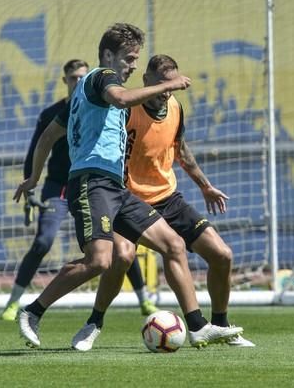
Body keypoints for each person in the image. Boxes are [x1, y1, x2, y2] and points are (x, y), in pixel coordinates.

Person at [13, 22, 242, 349]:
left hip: (116, 187)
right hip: (91, 183)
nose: (133, 65)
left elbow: (49, 136)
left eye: (136, 58)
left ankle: (198, 326)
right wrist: (172, 84)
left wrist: (33, 177)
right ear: (108, 55)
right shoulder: (103, 78)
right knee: (101, 261)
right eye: (129, 58)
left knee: (174, 244)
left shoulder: (82, 93)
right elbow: (121, 100)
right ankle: (32, 310)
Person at [70, 54, 255, 351]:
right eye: (160, 85)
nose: (166, 91)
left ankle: (220, 326)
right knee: (121, 257)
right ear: (146, 82)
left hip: (168, 198)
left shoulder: (175, 109)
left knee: (222, 255)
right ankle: (94, 323)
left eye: (171, 86)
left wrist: (205, 187)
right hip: (125, 199)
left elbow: (181, 151)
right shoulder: (126, 110)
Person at [2, 59, 158, 322]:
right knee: (44, 241)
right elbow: (40, 145)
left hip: (98, 185)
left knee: (122, 244)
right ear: (65, 81)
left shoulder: (101, 105)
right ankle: (14, 302)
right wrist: (31, 181)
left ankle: (144, 300)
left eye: (82, 77)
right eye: (73, 78)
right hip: (59, 186)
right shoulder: (55, 112)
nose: (78, 82)